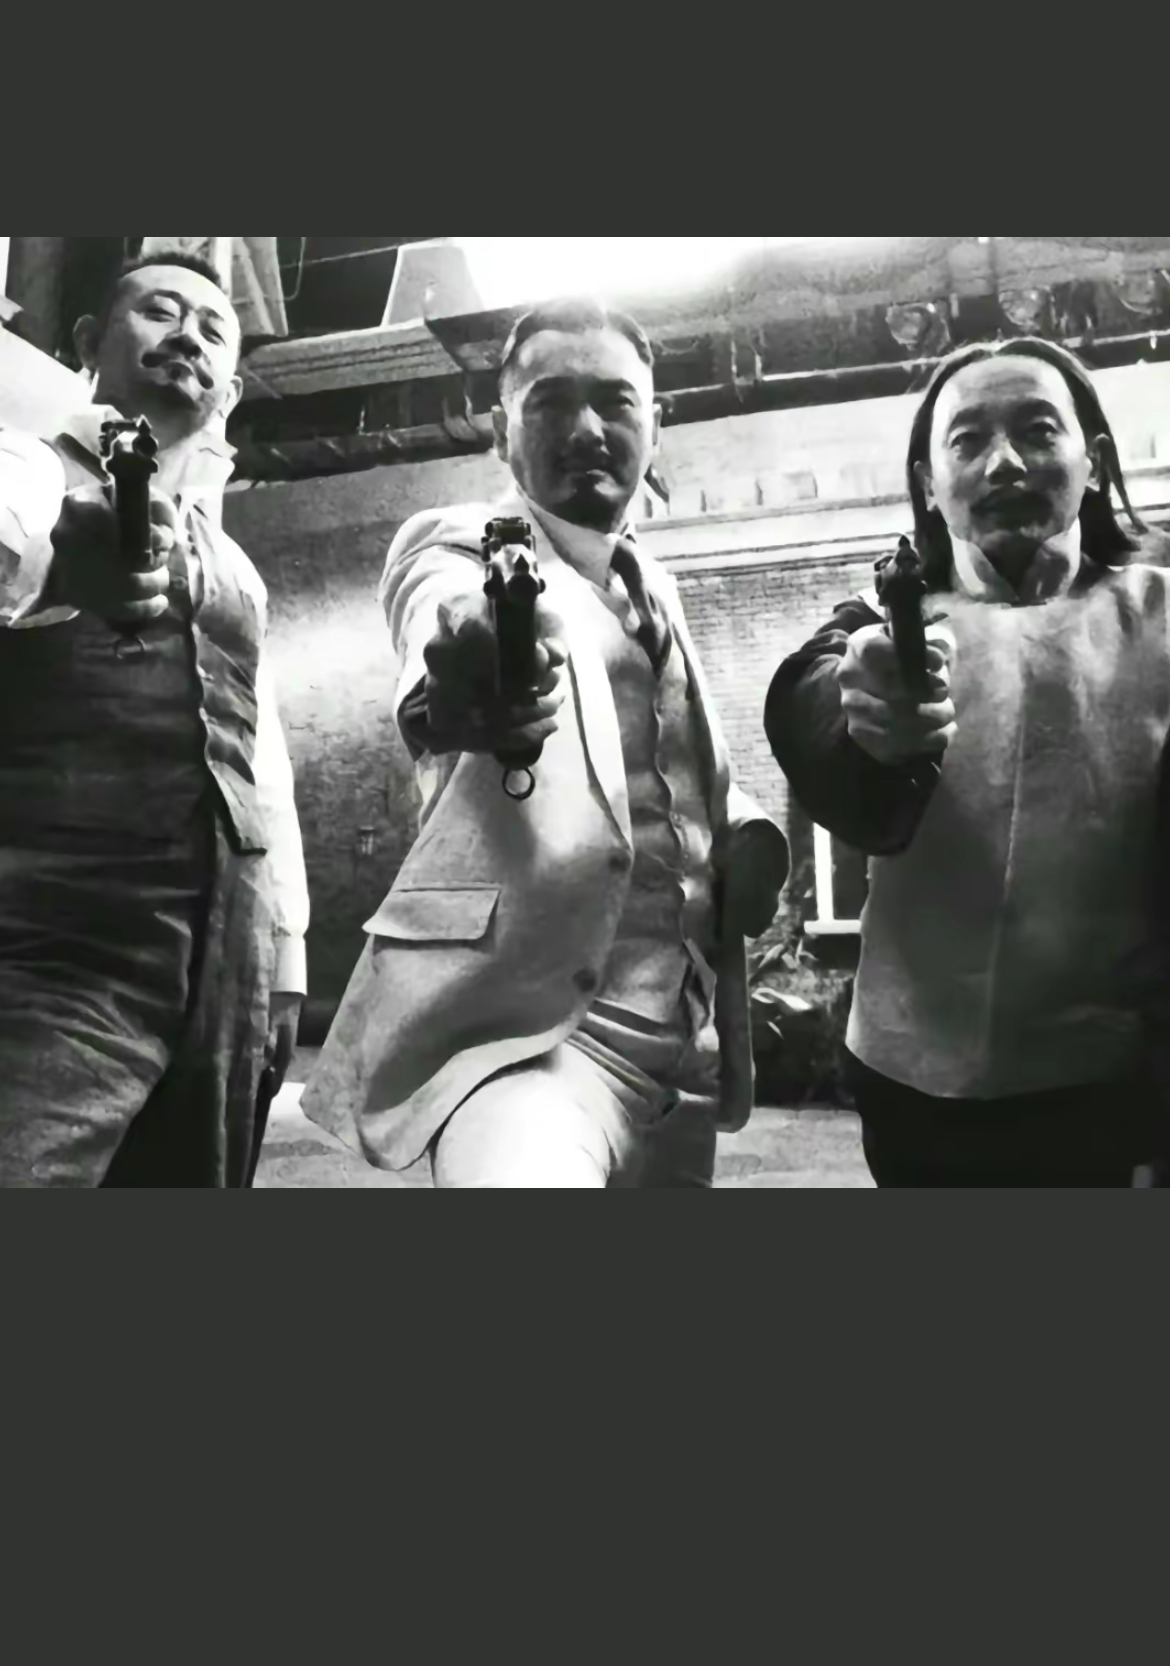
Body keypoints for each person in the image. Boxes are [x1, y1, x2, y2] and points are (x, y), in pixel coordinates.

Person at [305, 297, 789, 1187]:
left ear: (656, 423)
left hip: (682, 1055)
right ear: (501, 431)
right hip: (525, 1045)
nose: (587, 429)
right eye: (551, 402)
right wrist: (468, 677)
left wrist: (745, 831)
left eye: (614, 401)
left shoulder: (656, 585)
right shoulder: (455, 543)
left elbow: (660, 768)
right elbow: (443, 625)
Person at [765, 338, 1170, 1188]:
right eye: (969, 440)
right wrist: (858, 716)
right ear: (927, 482)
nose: (1005, 462)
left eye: (1038, 430)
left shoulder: (1159, 618)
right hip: (911, 1082)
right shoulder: (879, 623)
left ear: (1094, 462)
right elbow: (811, 697)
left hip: (1105, 1084)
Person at [0, 250, 309, 1186]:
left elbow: (258, 754)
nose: (188, 339)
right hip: (54, 923)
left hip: (228, 947)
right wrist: (57, 570)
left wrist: (285, 954)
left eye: (214, 331)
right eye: (160, 313)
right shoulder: (23, 468)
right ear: (89, 341)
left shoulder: (236, 566)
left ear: (231, 390)